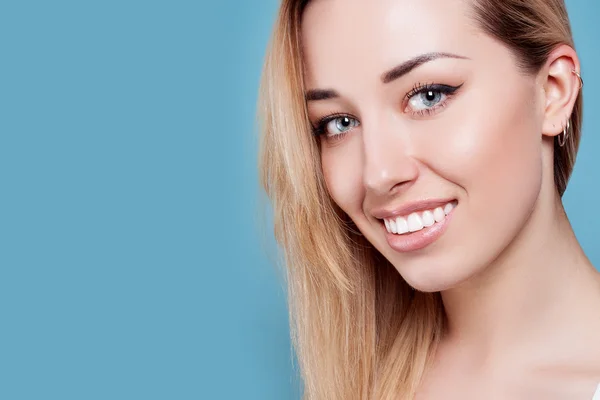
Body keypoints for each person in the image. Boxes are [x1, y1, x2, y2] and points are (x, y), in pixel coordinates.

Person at [257, 0, 600, 398]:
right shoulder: (359, 381)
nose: (378, 175)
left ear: (553, 92)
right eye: (339, 123)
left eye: (428, 96)